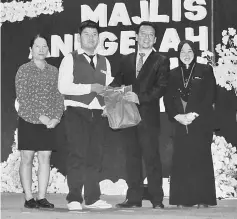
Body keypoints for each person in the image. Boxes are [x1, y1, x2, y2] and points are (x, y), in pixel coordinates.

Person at [110, 21, 170, 209]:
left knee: (152, 158)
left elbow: (161, 88)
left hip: (149, 118)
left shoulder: (161, 60)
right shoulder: (126, 59)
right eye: (143, 34)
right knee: (132, 158)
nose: (146, 37)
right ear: (136, 37)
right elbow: (117, 83)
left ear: (155, 39)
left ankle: (157, 199)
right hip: (127, 117)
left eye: (150, 34)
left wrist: (140, 98)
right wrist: (109, 99)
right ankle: (134, 198)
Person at [58, 20, 113, 211]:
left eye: (94, 34)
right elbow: (63, 87)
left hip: (98, 114)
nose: (91, 38)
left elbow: (106, 90)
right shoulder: (70, 59)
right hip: (76, 111)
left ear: (99, 37)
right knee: (77, 155)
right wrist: (89, 87)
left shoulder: (105, 61)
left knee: (95, 156)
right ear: (79, 37)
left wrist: (108, 105)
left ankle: (92, 197)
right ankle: (74, 197)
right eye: (87, 34)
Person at [164, 40, 217, 208]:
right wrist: (177, 116)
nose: (186, 55)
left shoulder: (205, 70)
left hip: (200, 122)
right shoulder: (171, 74)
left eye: (190, 51)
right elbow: (167, 99)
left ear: (195, 53)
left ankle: (203, 199)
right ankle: (181, 199)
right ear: (178, 54)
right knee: (181, 159)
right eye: (182, 52)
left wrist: (194, 114)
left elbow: (211, 95)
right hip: (180, 122)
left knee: (200, 159)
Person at [15, 34, 64, 208]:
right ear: (31, 49)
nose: (42, 49)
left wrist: (56, 117)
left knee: (45, 157)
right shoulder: (23, 70)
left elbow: (59, 97)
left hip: (49, 123)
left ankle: (42, 197)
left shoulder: (54, 71)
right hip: (28, 120)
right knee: (27, 158)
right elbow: (23, 97)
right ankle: (29, 198)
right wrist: (40, 116)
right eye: (38, 46)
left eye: (44, 46)